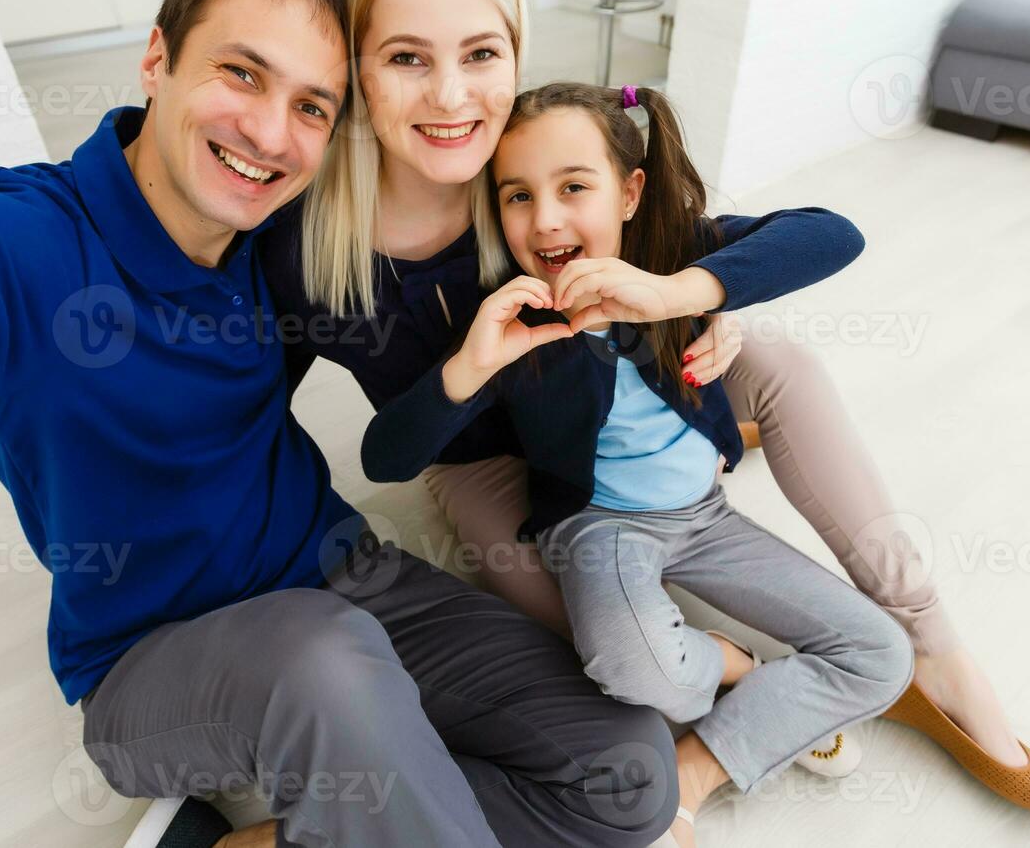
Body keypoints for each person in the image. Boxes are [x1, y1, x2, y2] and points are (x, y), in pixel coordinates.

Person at [0, 0, 681, 848]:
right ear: (158, 58)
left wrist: (688, 296)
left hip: (340, 576)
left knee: (630, 769)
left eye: (310, 105)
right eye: (241, 73)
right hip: (148, 660)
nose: (268, 130)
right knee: (327, 665)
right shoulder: (21, 238)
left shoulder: (282, 244)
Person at [260, 0, 1030, 821]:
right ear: (356, 66)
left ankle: (932, 643)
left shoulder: (539, 175)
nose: (452, 97)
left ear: (516, 54)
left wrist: (691, 293)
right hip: (498, 463)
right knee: (596, 645)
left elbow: (814, 235)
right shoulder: (310, 245)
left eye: (481, 54)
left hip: (617, 389)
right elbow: (315, 426)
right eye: (407, 57)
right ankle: (739, 673)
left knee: (779, 360)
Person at [361, 80, 918, 847]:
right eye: (517, 196)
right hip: (598, 527)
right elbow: (383, 456)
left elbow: (834, 234)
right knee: (634, 671)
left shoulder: (672, 259)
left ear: (629, 194)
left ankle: (698, 770)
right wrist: (467, 369)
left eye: (574, 188)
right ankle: (733, 662)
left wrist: (682, 293)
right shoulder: (515, 317)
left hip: (708, 514)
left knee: (882, 655)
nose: (546, 218)